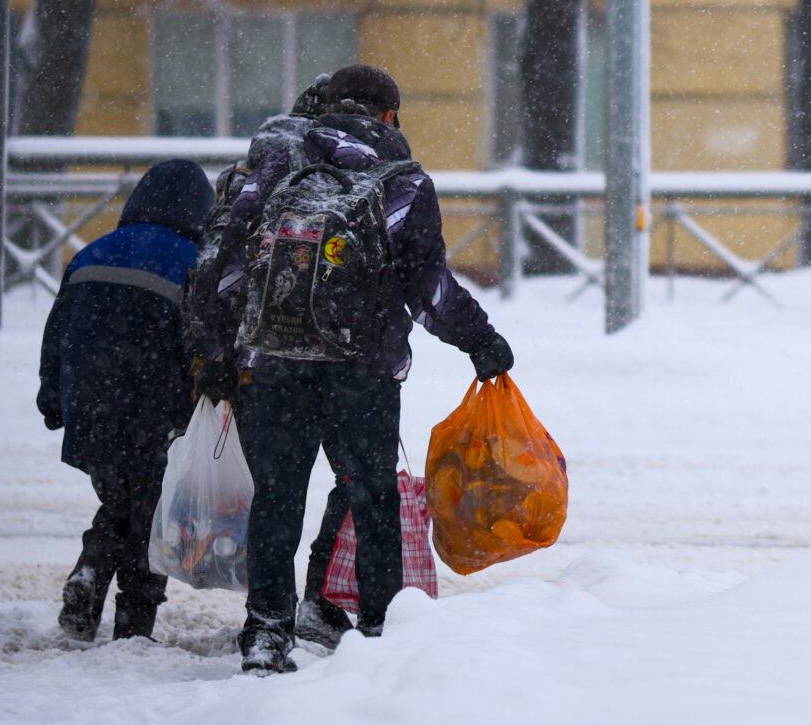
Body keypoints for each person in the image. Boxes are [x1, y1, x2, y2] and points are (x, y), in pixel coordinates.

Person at [186, 64, 513, 675]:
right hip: (362, 370)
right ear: (389, 116)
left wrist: (218, 351)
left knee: (276, 499)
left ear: (329, 107)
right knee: (371, 498)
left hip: (274, 364)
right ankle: (379, 628)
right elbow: (429, 289)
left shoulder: (276, 166)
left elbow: (221, 262)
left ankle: (266, 633)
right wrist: (481, 340)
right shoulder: (402, 182)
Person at [38, 158, 217, 643]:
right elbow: (201, 349)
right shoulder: (194, 265)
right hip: (156, 414)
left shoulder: (91, 253)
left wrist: (52, 397)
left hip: (91, 408)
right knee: (152, 522)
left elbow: (56, 336)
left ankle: (91, 571)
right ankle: (133, 631)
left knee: (118, 502)